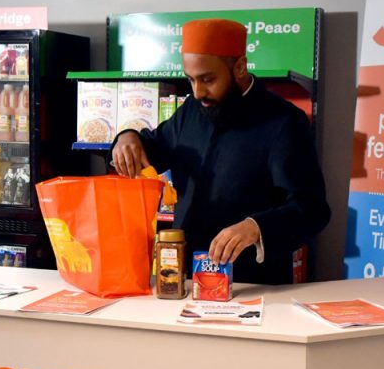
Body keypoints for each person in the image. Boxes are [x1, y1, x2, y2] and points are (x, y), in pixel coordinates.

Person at [111, 18, 330, 285]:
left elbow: (312, 208)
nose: (198, 91)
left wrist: (256, 227)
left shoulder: (284, 122)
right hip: (185, 278)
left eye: (208, 79)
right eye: (190, 79)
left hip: (251, 284)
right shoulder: (191, 109)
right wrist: (127, 137)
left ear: (239, 66)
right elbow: (151, 146)